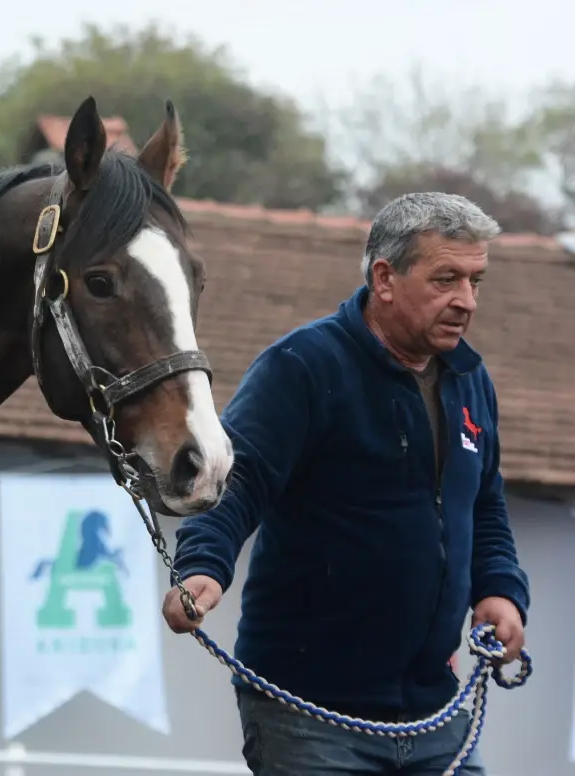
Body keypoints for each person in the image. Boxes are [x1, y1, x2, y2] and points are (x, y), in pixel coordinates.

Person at [162, 192, 530, 775]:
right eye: (446, 279)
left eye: (475, 281)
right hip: (309, 718)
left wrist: (501, 589)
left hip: (436, 712)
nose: (466, 301)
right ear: (385, 278)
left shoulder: (471, 379)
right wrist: (204, 565)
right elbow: (239, 478)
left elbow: (484, 505)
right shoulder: (302, 366)